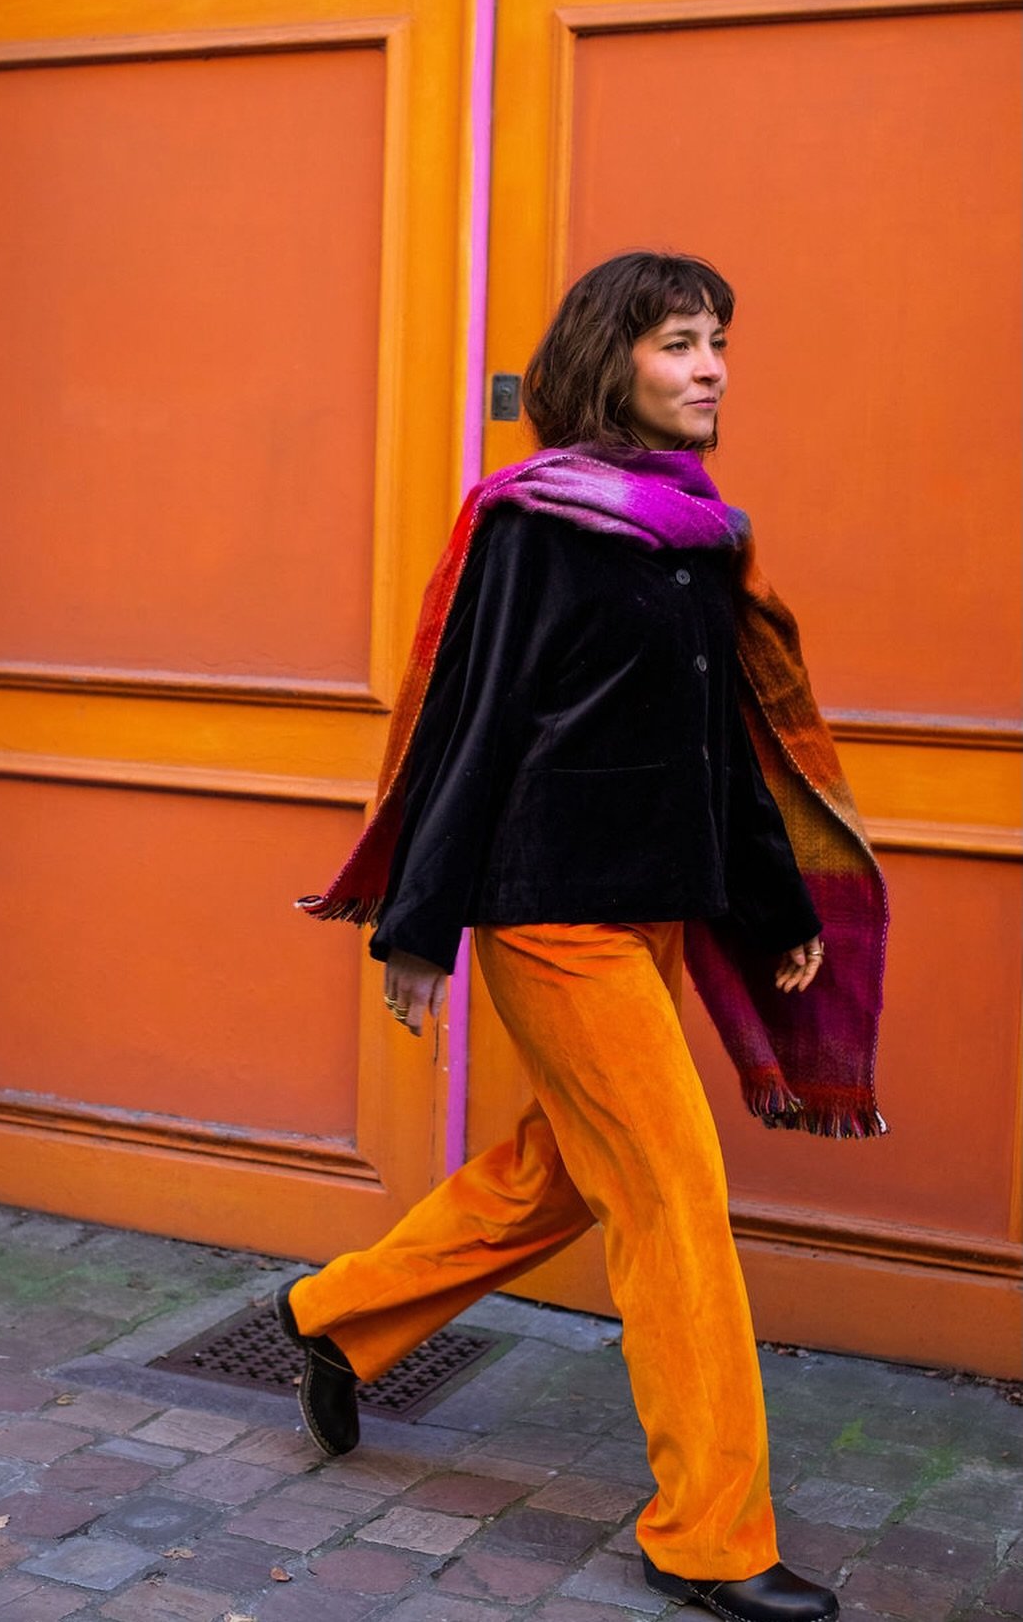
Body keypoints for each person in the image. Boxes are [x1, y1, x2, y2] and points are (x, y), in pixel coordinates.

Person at [280, 252, 888, 1622]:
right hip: (550, 915)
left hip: (654, 910)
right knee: (673, 1200)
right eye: (678, 342)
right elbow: (471, 721)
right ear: (610, 360)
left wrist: (774, 903)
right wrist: (419, 928)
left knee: (557, 1174)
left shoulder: (697, 534)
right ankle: (709, 1535)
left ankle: (333, 1314)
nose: (709, 367)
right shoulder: (534, 525)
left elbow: (719, 746)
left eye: (717, 340)